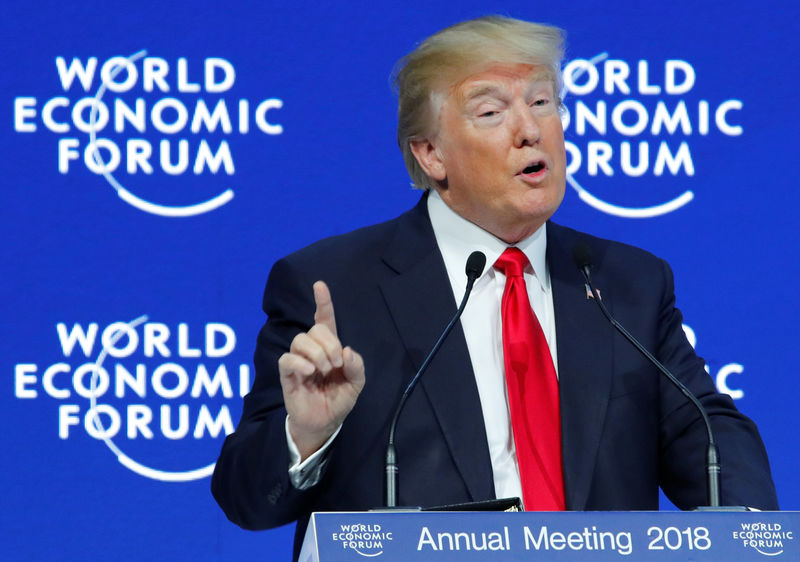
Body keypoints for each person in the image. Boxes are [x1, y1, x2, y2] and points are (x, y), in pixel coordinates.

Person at [211, 15, 778, 559]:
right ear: (431, 154)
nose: (530, 130)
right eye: (491, 111)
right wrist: (307, 435)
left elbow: (707, 433)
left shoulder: (626, 281)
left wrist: (749, 536)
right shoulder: (338, 286)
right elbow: (244, 499)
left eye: (542, 102)